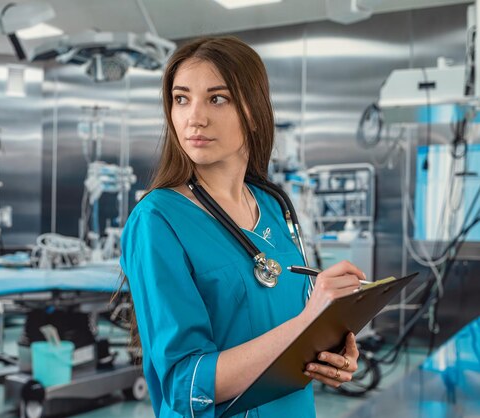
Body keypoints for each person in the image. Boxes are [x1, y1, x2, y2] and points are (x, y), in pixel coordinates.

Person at [119, 36, 364, 418]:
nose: (194, 117)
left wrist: (328, 349)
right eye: (181, 99)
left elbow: (285, 326)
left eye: (217, 99)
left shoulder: (272, 205)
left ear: (253, 111)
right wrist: (306, 323)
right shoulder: (158, 220)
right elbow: (186, 383)